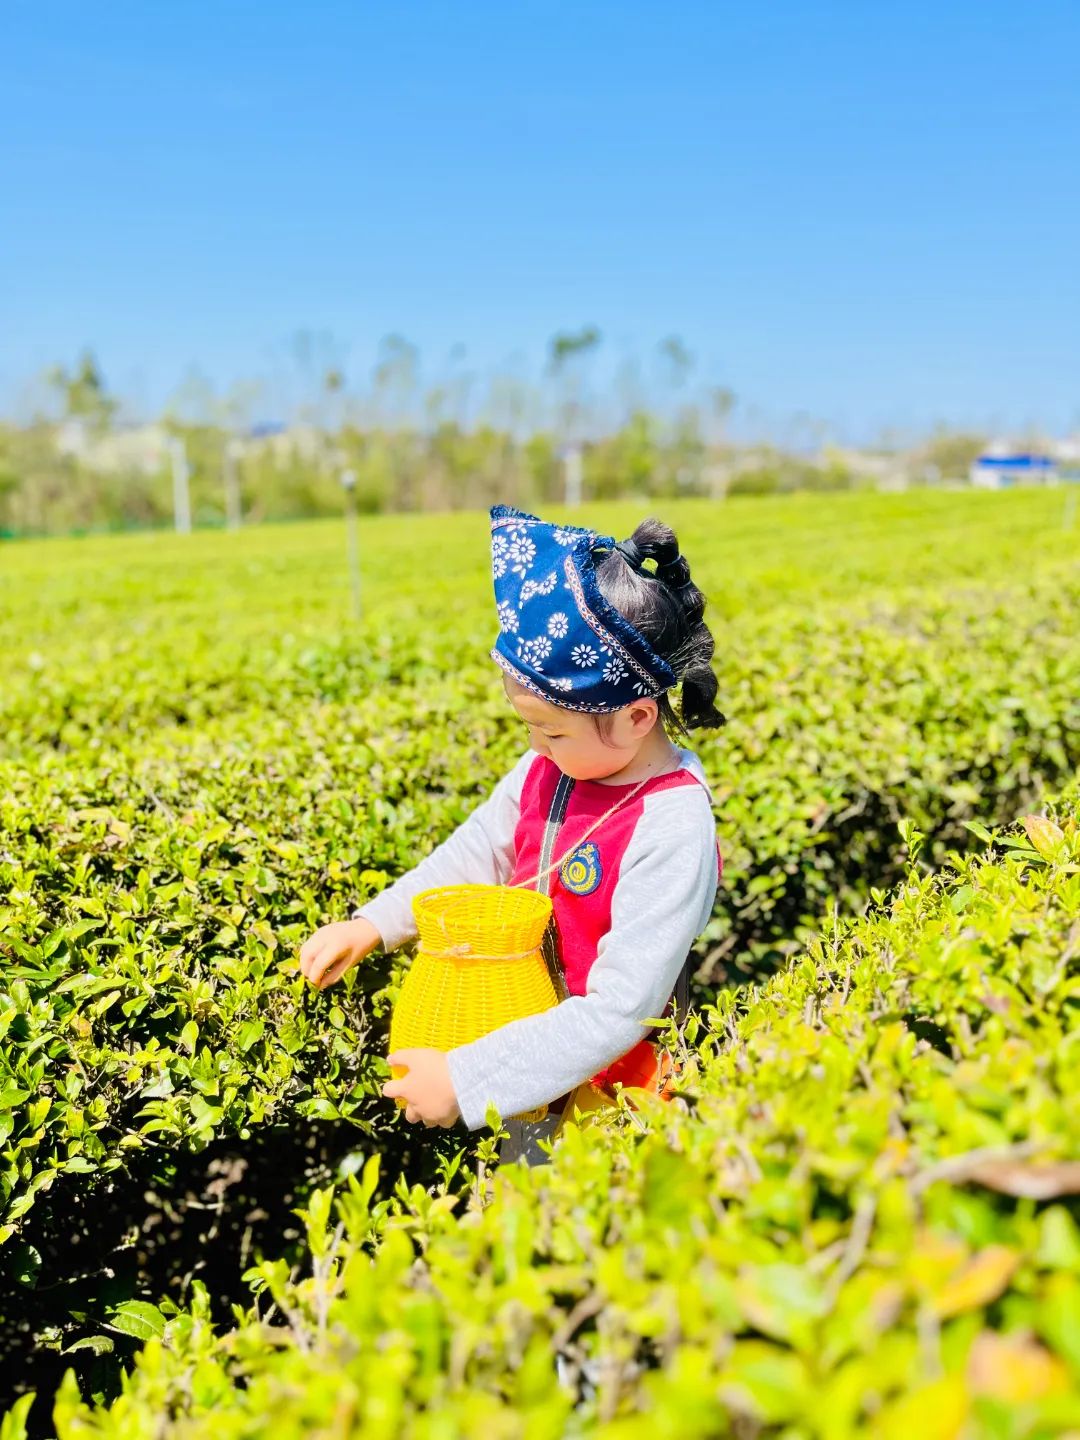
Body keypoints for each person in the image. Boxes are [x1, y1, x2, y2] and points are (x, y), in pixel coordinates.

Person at [298, 504, 726, 1166]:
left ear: (637, 717)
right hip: (521, 1061)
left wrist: (467, 1082)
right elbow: (473, 857)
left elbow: (620, 1010)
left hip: (617, 1096)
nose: (535, 745)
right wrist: (375, 925)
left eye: (552, 729)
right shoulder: (546, 771)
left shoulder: (671, 825)